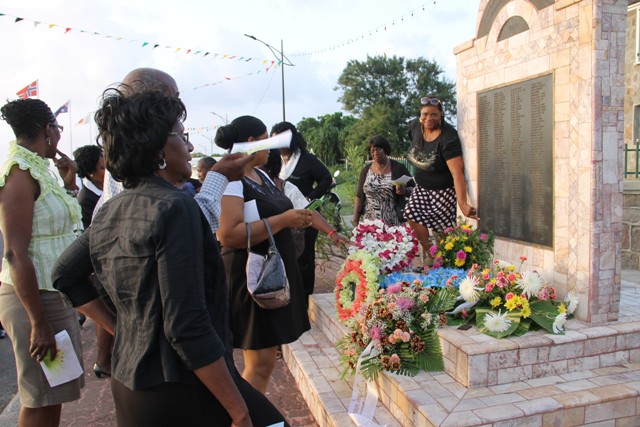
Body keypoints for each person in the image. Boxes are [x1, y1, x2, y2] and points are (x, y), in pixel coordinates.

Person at [56, 89, 285, 427]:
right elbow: (186, 328)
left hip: (130, 383)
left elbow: (65, 274)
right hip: (180, 387)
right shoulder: (175, 208)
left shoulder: (110, 211)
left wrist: (124, 329)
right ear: (160, 150)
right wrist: (238, 411)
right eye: (183, 136)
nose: (191, 147)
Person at [0, 98, 84, 427]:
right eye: (58, 130)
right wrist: (39, 322)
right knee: (39, 400)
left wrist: (69, 182)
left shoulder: (38, 167)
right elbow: (15, 252)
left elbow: (58, 225)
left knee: (56, 392)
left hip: (52, 294)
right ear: (49, 130)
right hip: (35, 299)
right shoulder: (19, 172)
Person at [216, 116, 312, 394]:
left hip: (268, 274)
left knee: (265, 363)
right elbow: (229, 234)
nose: (270, 150)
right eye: (267, 142)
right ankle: (246, 418)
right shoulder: (233, 181)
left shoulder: (261, 175)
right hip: (252, 278)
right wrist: (284, 220)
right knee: (259, 365)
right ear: (251, 143)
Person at [404, 96, 478, 258]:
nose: (428, 118)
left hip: (443, 191)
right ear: (420, 114)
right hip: (422, 187)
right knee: (411, 214)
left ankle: (445, 259)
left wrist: (463, 202)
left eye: (434, 115)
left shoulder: (448, 137)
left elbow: (457, 172)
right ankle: (432, 254)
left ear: (441, 115)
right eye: (425, 114)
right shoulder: (416, 126)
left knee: (443, 232)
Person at [272, 121, 332, 301]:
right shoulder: (276, 162)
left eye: (280, 140)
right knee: (288, 255)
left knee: (305, 257)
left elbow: (326, 179)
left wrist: (310, 196)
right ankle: (291, 293)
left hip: (307, 215)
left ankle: (306, 296)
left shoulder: (307, 159)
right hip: (284, 218)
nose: (277, 145)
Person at [72, 144, 113, 379]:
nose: (106, 168)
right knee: (105, 311)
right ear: (90, 173)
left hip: (101, 262)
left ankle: (103, 360)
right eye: (101, 166)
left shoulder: (100, 189)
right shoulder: (87, 199)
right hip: (98, 262)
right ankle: (102, 360)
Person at [262, 149, 350, 254]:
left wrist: (332, 233)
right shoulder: (244, 188)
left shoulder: (287, 188)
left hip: (286, 251)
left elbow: (309, 213)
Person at [353, 135, 414, 226]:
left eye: (378, 149)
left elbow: (414, 189)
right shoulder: (366, 171)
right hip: (370, 223)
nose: (375, 153)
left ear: (385, 150)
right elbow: (359, 196)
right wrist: (355, 220)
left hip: (393, 222)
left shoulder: (398, 168)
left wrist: (404, 191)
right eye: (372, 150)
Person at [73, 145, 105, 230]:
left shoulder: (106, 188)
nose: (109, 171)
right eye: (103, 168)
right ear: (90, 172)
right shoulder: (86, 200)